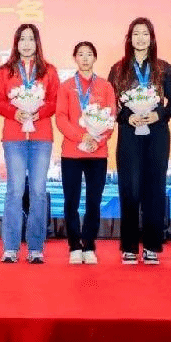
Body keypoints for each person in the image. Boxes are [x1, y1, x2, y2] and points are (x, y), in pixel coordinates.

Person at [108, 18, 171, 265]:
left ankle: (151, 246)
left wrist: (159, 115)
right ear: (129, 38)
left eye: (145, 34)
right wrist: (127, 117)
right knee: (130, 189)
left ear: (152, 38)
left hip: (157, 133)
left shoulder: (163, 68)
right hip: (129, 133)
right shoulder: (118, 69)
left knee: (155, 189)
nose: (140, 38)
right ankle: (129, 246)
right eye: (136, 34)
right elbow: (110, 104)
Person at [0, 24, 60, 264]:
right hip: (14, 137)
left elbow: (54, 101)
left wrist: (38, 112)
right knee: (14, 191)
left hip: (41, 137)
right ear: (16, 43)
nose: (26, 43)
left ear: (37, 43)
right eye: (22, 39)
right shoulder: (5, 71)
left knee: (38, 192)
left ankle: (35, 248)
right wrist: (16, 113)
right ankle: (10, 248)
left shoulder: (49, 71)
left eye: (31, 39)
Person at [56, 42, 116, 264]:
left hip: (97, 153)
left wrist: (98, 140)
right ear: (75, 58)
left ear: (95, 58)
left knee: (94, 201)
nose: (84, 58)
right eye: (80, 54)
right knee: (71, 201)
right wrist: (81, 137)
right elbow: (61, 118)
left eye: (89, 54)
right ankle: (74, 246)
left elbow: (111, 117)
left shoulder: (105, 86)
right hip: (72, 152)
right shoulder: (66, 86)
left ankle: (89, 245)